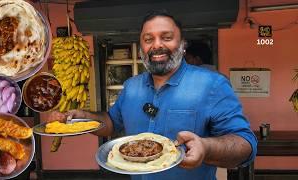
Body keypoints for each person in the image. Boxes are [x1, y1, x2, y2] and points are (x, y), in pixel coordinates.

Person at [48, 9, 257, 180]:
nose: (156, 44)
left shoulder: (212, 84)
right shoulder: (131, 87)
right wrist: (84, 118)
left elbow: (245, 144)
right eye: (149, 39)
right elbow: (111, 122)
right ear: (141, 48)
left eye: (166, 37)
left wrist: (206, 147)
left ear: (183, 46)